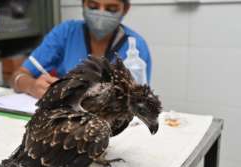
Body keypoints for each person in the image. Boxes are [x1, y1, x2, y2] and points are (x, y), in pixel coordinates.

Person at [11, 0, 152, 99]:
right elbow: (17, 76)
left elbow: (138, 101)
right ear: (83, 4)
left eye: (111, 9)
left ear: (125, 9)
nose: (101, 14)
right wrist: (31, 86)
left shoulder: (136, 46)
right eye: (93, 5)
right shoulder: (65, 33)